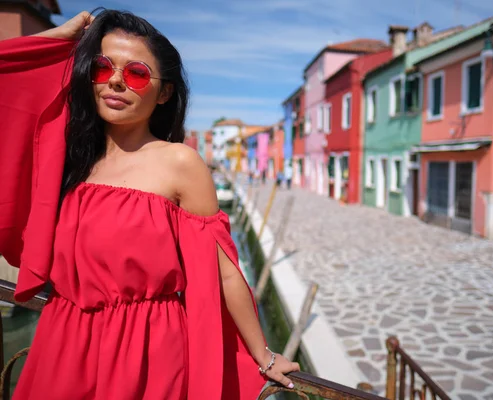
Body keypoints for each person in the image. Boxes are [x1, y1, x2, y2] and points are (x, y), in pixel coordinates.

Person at [0, 9, 298, 400]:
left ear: (164, 92)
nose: (117, 81)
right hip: (63, 338)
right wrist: (56, 39)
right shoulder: (69, 158)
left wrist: (263, 353)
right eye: (102, 68)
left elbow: (223, 271)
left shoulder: (180, 162)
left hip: (145, 349)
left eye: (137, 73)